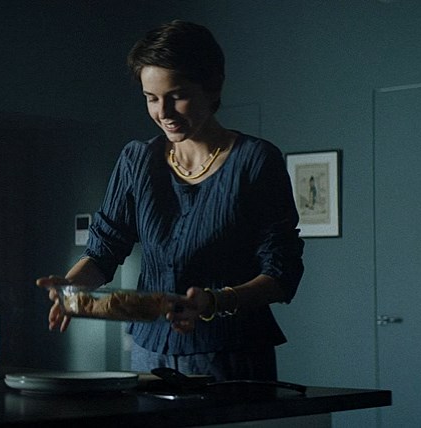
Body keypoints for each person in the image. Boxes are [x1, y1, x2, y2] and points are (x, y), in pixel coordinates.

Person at [36, 20, 304, 381]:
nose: (163, 112)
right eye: (151, 98)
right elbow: (103, 251)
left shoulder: (255, 161)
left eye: (177, 96)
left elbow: (282, 272)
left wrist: (214, 301)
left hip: (231, 353)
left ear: (213, 87)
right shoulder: (136, 160)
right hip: (150, 351)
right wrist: (69, 289)